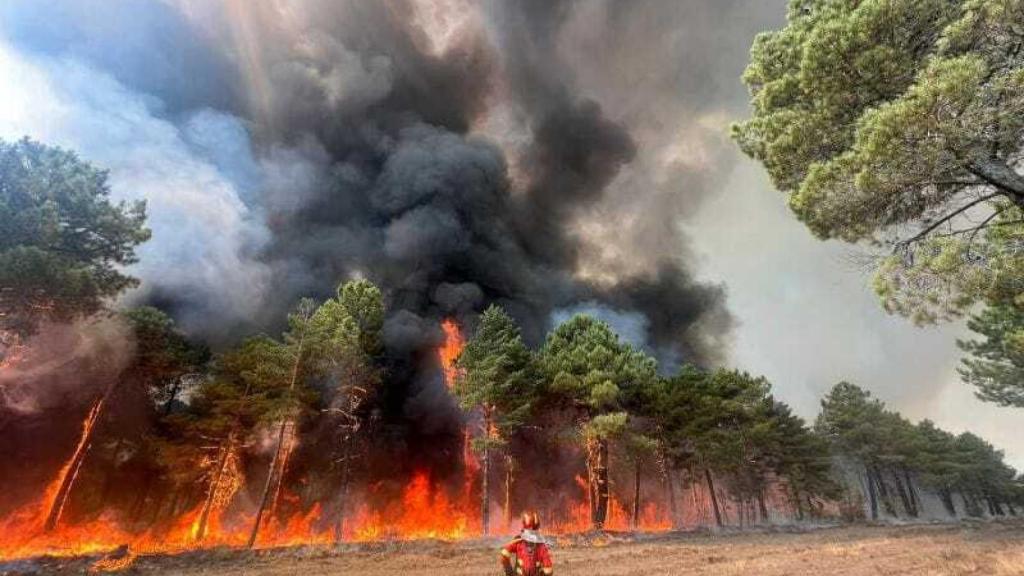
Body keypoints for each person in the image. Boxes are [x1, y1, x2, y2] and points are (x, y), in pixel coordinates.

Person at [499, 511, 553, 576]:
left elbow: (504, 553)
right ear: (537, 527)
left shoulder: (519, 541)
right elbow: (548, 570)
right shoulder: (541, 545)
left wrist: (509, 572)